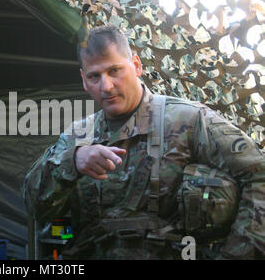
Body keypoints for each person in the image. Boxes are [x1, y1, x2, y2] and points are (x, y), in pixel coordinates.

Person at [24, 25, 265, 259]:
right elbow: (34, 205)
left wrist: (237, 253)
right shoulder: (78, 136)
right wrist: (72, 162)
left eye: (114, 71)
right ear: (84, 80)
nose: (106, 86)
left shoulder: (189, 120)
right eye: (94, 76)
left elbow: (259, 176)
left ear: (136, 65)